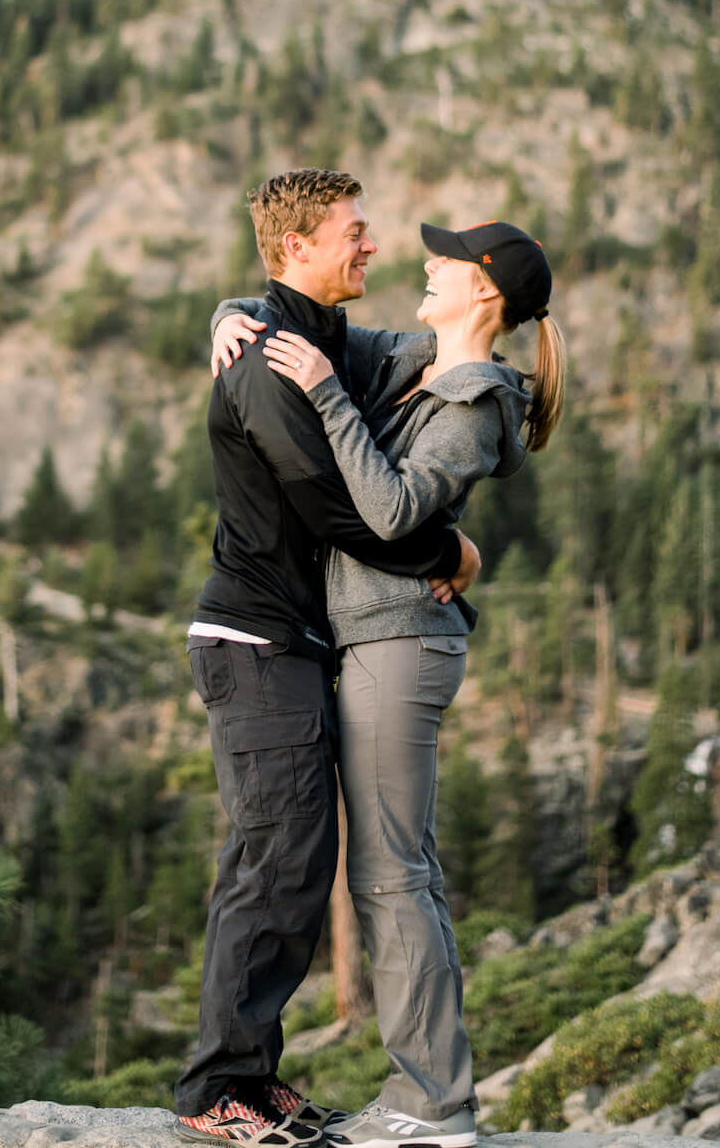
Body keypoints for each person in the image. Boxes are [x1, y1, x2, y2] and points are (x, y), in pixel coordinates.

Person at [211, 219, 565, 1148]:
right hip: (367, 638)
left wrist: (328, 399)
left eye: (447, 259)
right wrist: (229, 317)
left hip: (400, 641)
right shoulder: (410, 354)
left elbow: (394, 510)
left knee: (394, 876)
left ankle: (432, 1104)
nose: (426, 264)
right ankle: (427, 1096)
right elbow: (298, 315)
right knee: (393, 872)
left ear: (484, 290)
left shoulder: (475, 403)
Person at [176, 170, 481, 1148]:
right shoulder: (270, 360)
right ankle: (218, 1088)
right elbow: (338, 510)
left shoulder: (322, 340)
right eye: (355, 231)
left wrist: (228, 306)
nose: (371, 245)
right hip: (256, 639)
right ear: (299, 244)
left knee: (291, 863)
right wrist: (450, 555)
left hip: (292, 644)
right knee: (276, 862)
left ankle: (250, 1079)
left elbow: (445, 353)